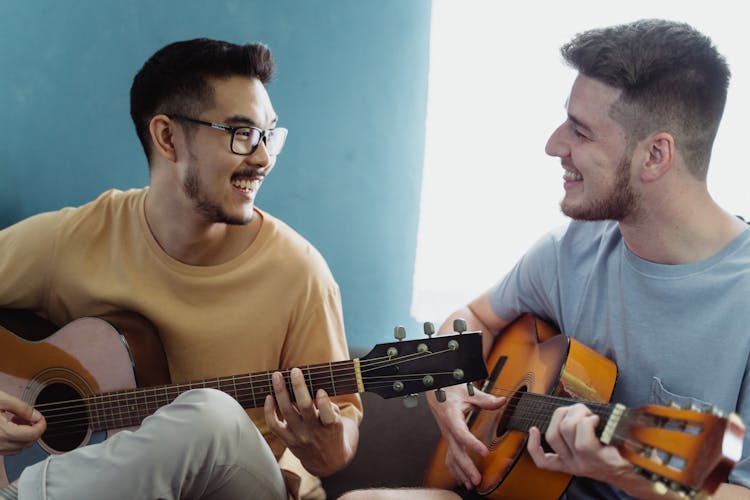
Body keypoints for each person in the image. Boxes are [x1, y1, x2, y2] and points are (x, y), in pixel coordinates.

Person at [340, 18, 750, 500]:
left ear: (655, 155)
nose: (554, 145)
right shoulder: (572, 249)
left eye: (580, 131)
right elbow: (473, 317)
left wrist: (623, 473)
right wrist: (449, 384)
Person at [0, 38, 361, 500]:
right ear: (168, 137)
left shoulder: (301, 272)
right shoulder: (73, 240)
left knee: (210, 416)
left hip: (252, 489)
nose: (264, 157)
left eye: (270, 134)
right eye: (241, 132)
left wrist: (328, 446)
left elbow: (342, 427)